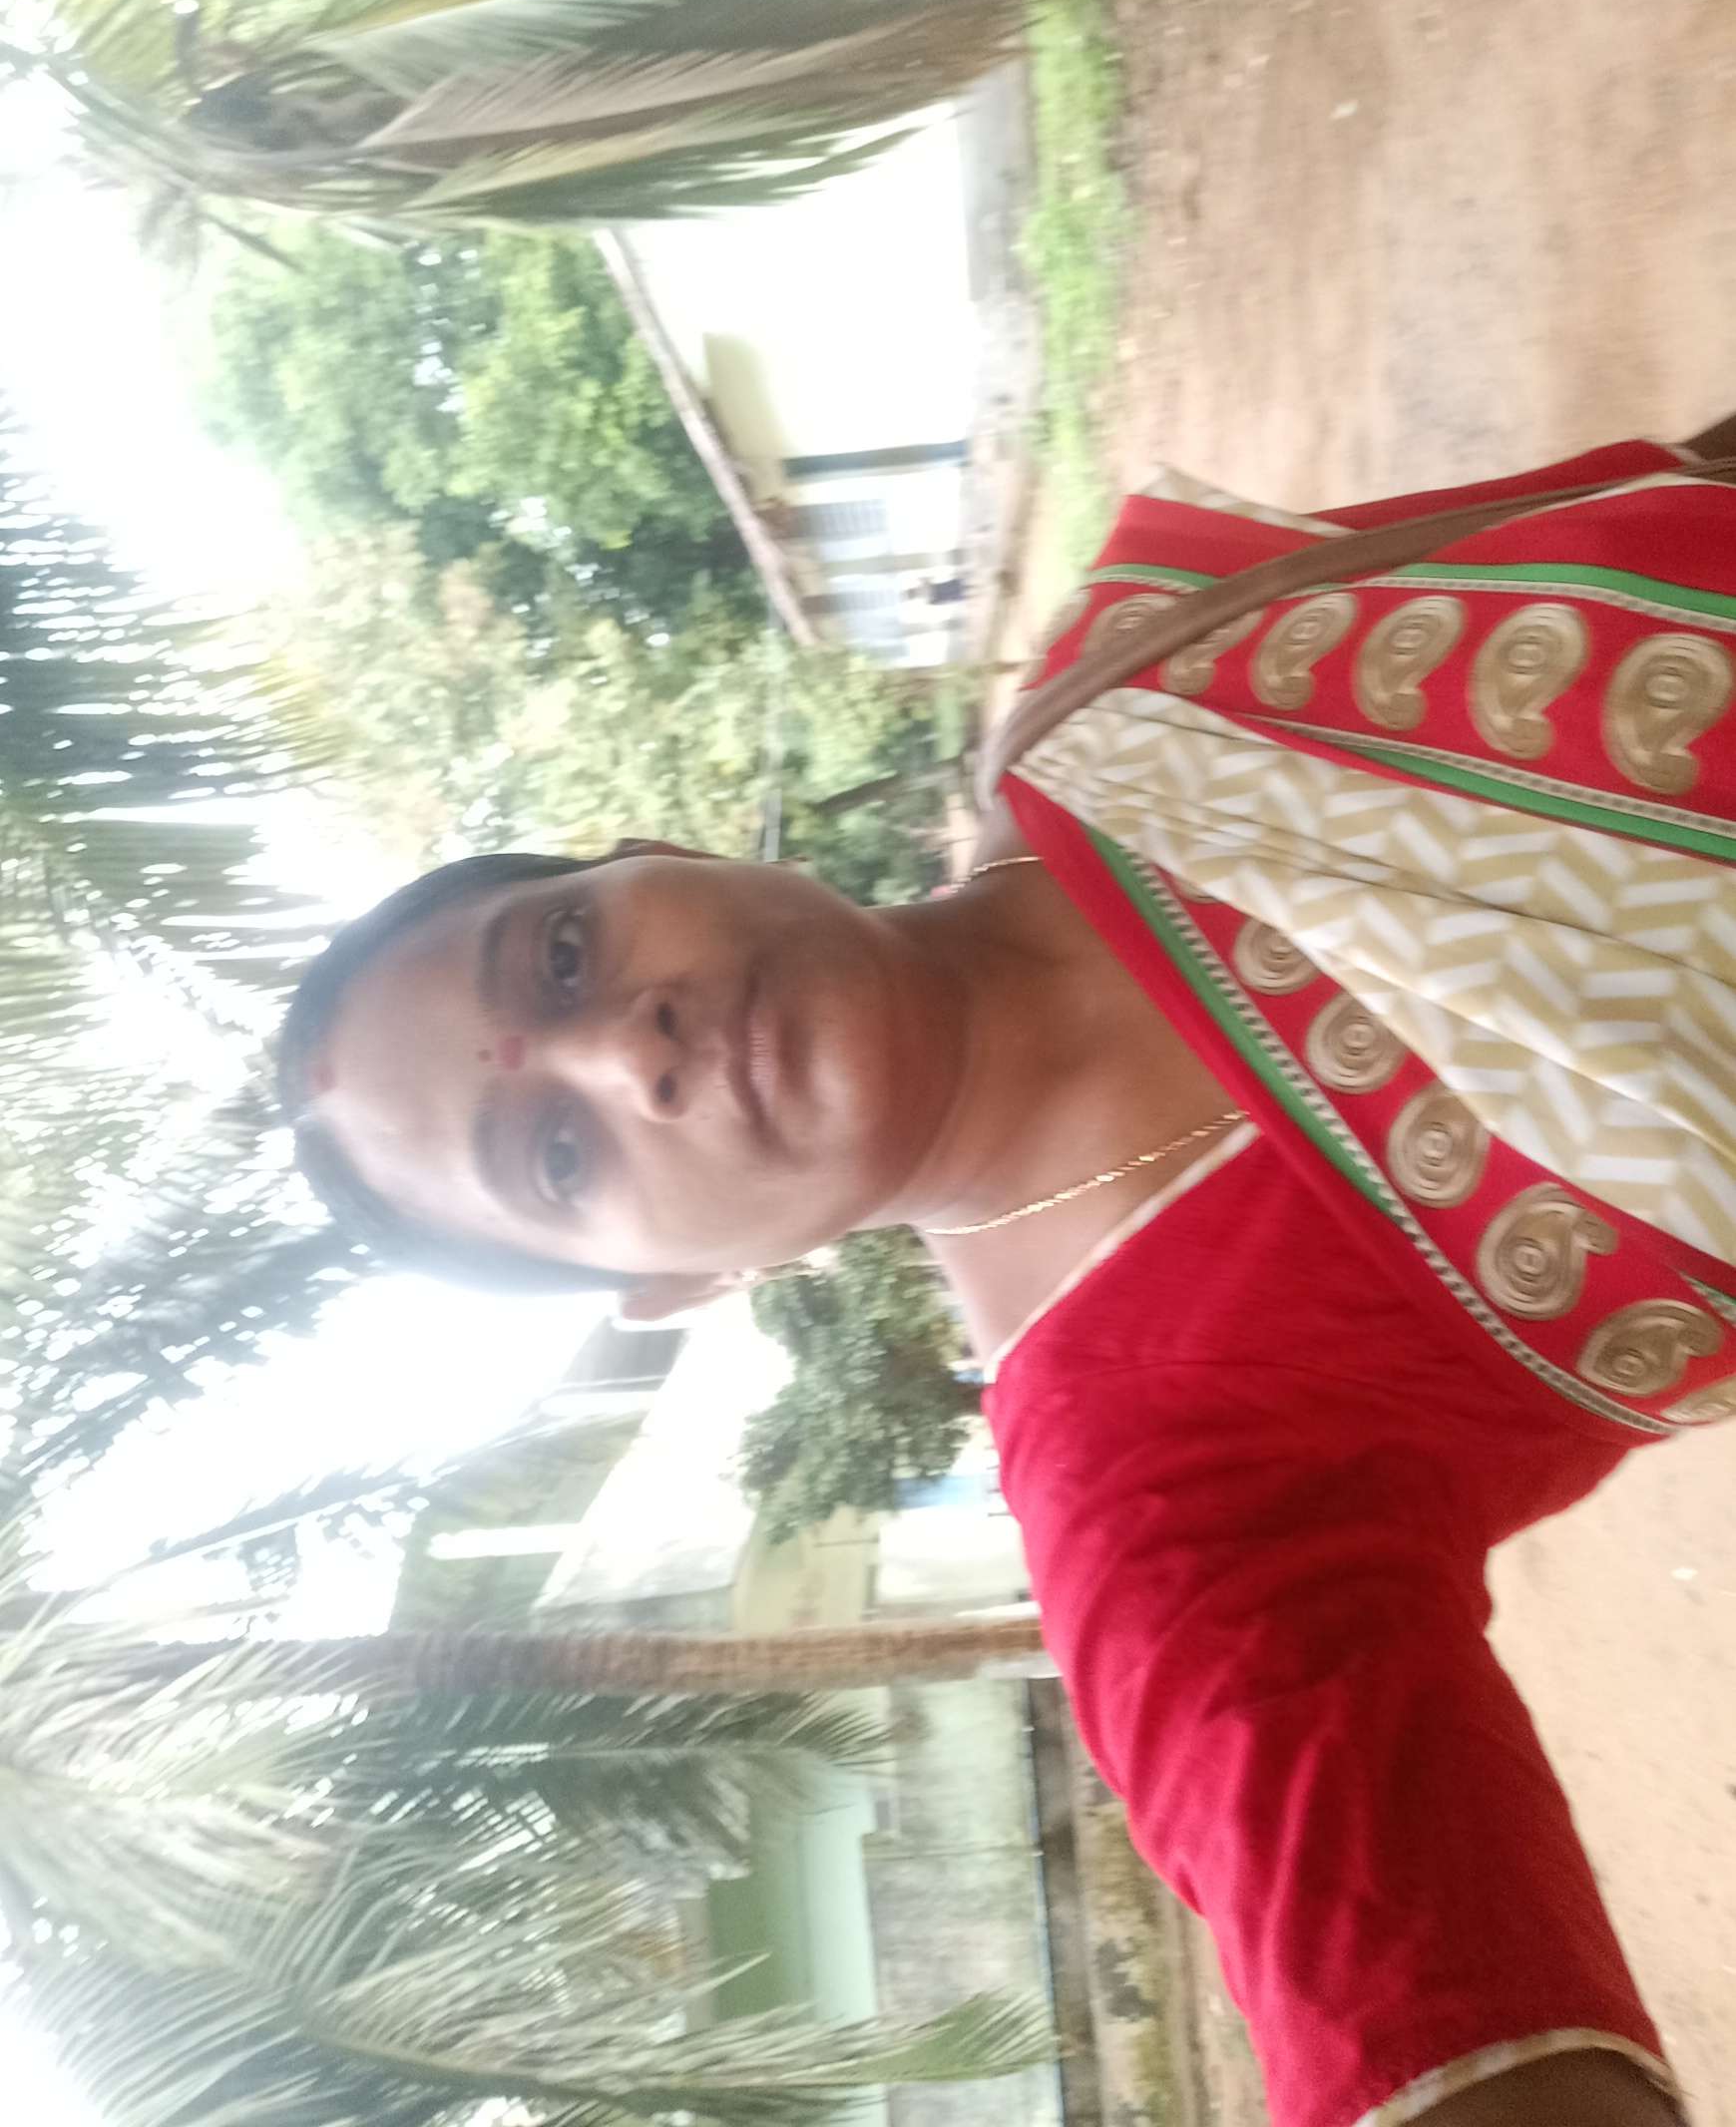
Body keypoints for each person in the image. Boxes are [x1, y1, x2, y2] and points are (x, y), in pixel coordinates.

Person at [277, 424, 1736, 2127]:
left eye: (563, 953)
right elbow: (1431, 2032)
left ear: (658, 849)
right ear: (676, 1286)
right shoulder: (1164, 1508)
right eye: (554, 1156)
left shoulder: (1131, 679)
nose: (629, 1050)